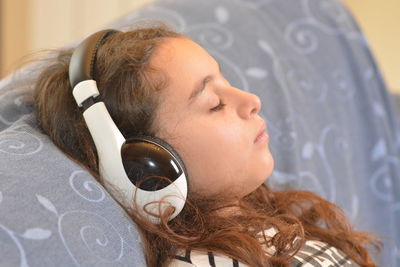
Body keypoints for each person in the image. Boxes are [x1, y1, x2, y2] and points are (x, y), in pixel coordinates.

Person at [33, 23, 381, 267]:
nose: (252, 99)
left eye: (224, 79)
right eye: (215, 104)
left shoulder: (260, 218)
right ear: (145, 166)